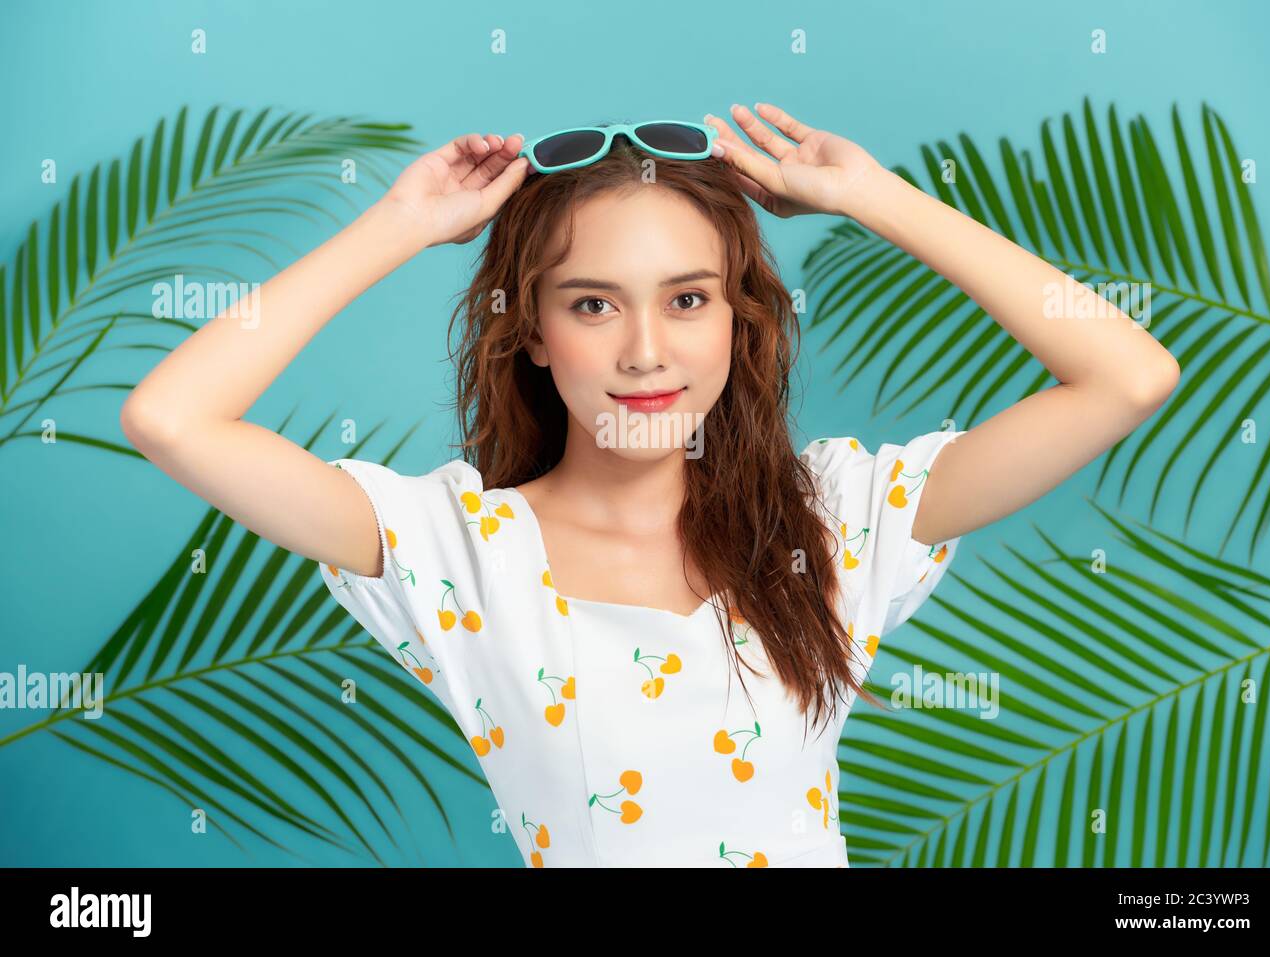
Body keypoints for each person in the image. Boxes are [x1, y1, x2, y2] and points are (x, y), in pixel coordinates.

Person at [120, 103, 1180, 868]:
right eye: (590, 306)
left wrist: (869, 196)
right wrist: (400, 225)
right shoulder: (453, 549)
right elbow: (170, 419)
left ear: (737, 318)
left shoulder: (832, 520)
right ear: (529, 332)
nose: (644, 354)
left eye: (687, 299)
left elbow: (1129, 374)